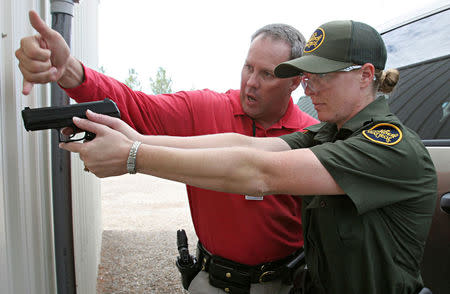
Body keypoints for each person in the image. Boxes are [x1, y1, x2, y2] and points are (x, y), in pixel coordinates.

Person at [56, 20, 437, 294]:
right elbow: (244, 147)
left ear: (366, 74)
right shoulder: (326, 133)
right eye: (308, 76)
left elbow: (260, 172)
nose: (311, 87)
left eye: (322, 76)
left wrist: (134, 156)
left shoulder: (386, 146)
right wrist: (138, 140)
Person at [16, 10, 318, 293]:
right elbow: (134, 105)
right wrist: (69, 69)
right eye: (248, 67)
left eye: (267, 74)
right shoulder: (204, 109)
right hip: (212, 282)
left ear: (295, 81)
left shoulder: (312, 135)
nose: (251, 82)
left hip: (285, 284)